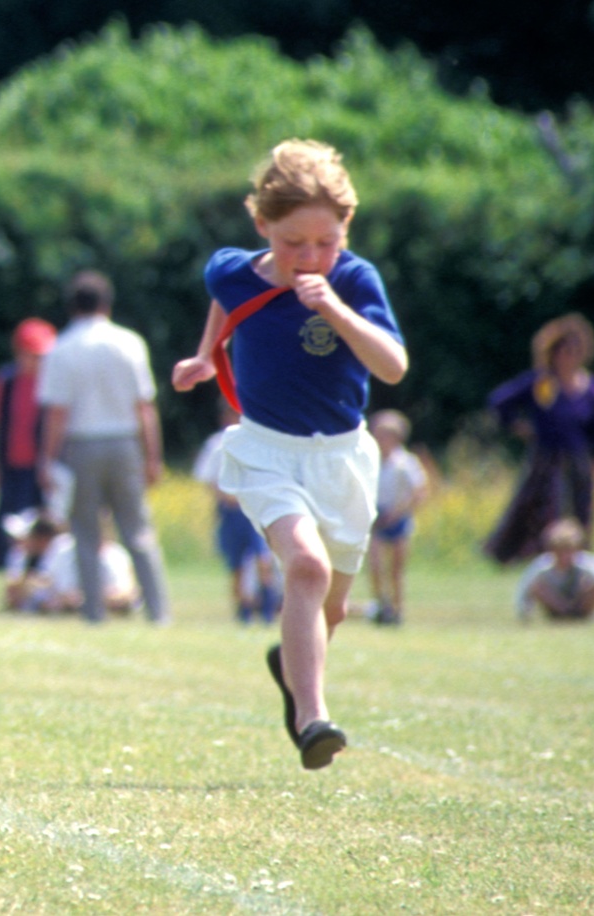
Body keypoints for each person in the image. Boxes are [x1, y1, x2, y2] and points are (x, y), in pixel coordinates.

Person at [172, 138, 408, 772]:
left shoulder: (354, 281)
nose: (310, 258)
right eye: (293, 243)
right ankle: (313, 718)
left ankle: (290, 663)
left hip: (344, 460)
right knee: (306, 566)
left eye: (325, 243)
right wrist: (207, 353)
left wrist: (334, 307)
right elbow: (229, 294)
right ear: (261, 226)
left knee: (330, 606)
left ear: (345, 231)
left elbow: (392, 365)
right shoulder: (230, 266)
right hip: (266, 450)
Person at [37, 271, 171, 625]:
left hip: (82, 444)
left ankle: (93, 613)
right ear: (107, 304)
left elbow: (57, 413)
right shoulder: (130, 343)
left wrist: (47, 459)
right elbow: (144, 407)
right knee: (138, 530)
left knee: (85, 533)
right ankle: (158, 612)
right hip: (125, 442)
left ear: (71, 306)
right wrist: (152, 456)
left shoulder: (61, 348)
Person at [483, 314, 594, 564]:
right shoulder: (542, 383)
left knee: (581, 514)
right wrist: (518, 426)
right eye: (565, 350)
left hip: (580, 461)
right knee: (546, 513)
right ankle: (542, 564)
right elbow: (499, 401)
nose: (570, 356)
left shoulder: (591, 387)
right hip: (547, 459)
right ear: (554, 352)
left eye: (576, 350)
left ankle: (578, 565)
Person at [193, 400, 280, 625]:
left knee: (263, 559)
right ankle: (243, 611)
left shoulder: (259, 441)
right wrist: (227, 497)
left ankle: (268, 608)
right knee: (237, 566)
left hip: (255, 509)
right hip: (231, 511)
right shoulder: (216, 444)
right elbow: (207, 478)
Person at [0, 318, 56, 569]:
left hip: (41, 465)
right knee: (9, 521)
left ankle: (39, 564)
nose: (38, 361)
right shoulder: (4, 381)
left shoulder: (52, 382)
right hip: (11, 462)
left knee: (42, 519)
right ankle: (3, 564)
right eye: (32, 355)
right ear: (19, 353)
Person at [2, 515, 138, 616]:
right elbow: (48, 582)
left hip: (100, 599)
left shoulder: (114, 555)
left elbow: (125, 591)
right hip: (65, 597)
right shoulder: (63, 547)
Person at [366, 410, 429, 626]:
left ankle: (397, 608)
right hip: (376, 515)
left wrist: (400, 512)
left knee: (396, 569)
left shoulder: (405, 462)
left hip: (398, 516)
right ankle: (380, 604)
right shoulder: (369, 459)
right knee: (374, 565)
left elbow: (419, 491)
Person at [515, 518, 594, 624]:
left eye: (568, 551)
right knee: (537, 586)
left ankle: (578, 616)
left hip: (581, 605)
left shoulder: (587, 564)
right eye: (559, 551)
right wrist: (524, 615)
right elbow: (524, 587)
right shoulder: (543, 565)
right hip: (556, 608)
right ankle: (563, 615)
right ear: (552, 550)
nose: (564, 556)